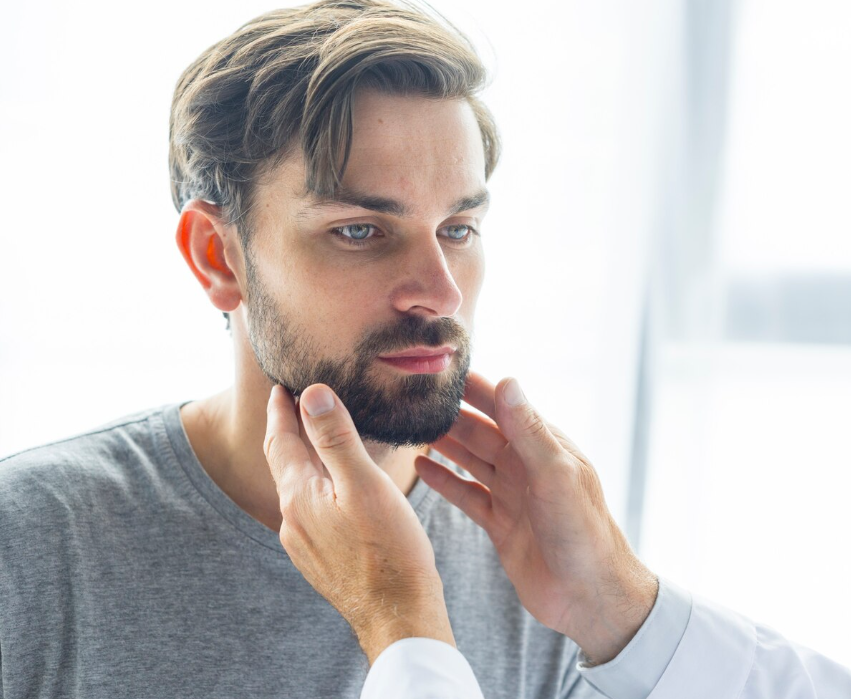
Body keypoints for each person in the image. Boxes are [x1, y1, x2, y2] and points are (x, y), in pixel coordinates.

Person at [0, 2, 847, 699]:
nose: (439, 292)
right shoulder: (34, 542)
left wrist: (619, 607)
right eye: (360, 230)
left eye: (459, 228)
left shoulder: (553, 578)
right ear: (219, 257)